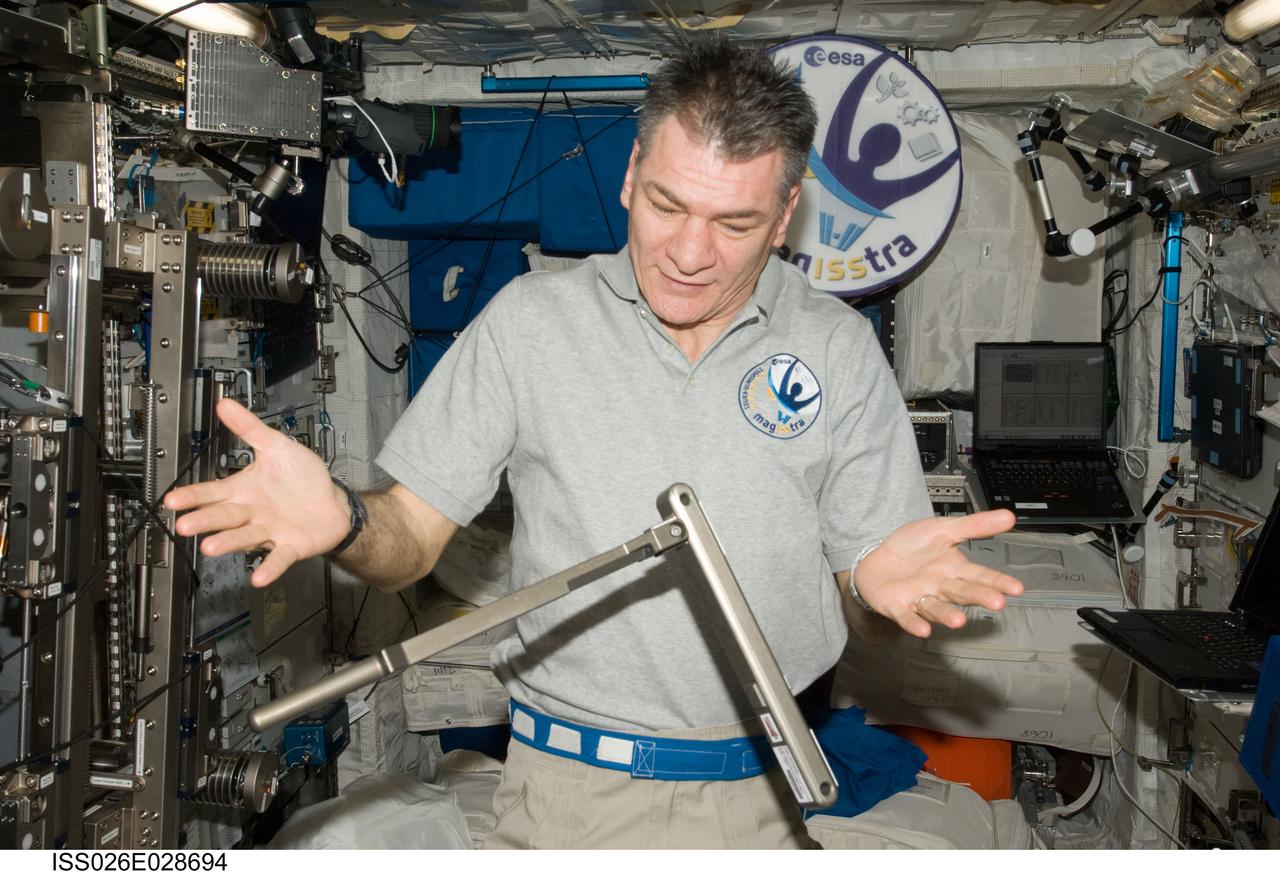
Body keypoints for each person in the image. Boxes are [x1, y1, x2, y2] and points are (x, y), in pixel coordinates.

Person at [165, 37, 1022, 849]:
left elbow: (868, 611)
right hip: (562, 795)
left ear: (785, 214)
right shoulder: (531, 325)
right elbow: (410, 543)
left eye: (733, 223)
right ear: (629, 178)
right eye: (667, 205)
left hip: (763, 792)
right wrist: (347, 520)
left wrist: (876, 596)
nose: (689, 252)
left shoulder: (837, 348)